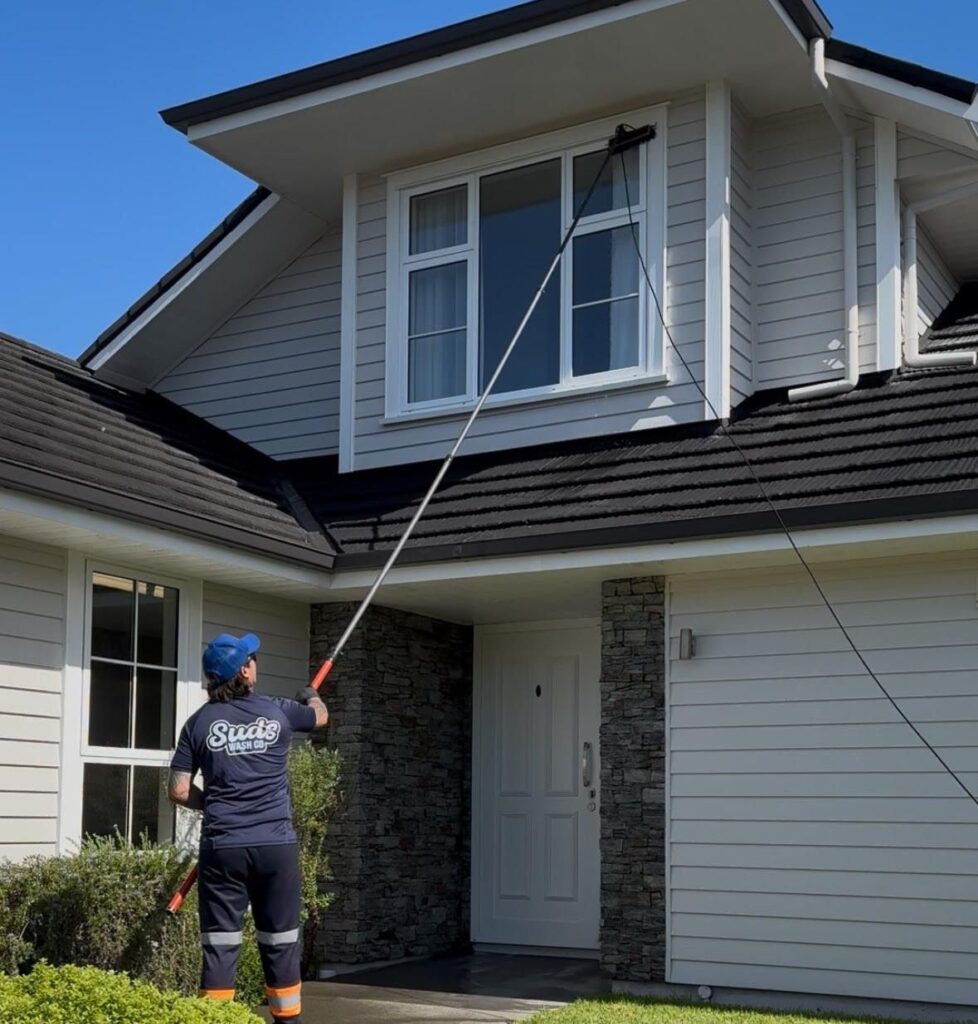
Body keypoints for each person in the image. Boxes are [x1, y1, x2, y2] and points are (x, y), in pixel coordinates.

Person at [167, 632, 329, 1023]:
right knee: (280, 940)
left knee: (220, 944)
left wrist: (212, 803)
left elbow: (178, 790)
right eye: (252, 658)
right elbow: (320, 717)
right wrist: (311, 696)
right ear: (244, 671)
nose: (256, 664)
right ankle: (286, 1021)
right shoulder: (278, 710)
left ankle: (215, 1020)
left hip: (223, 847)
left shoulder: (197, 723)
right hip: (275, 846)